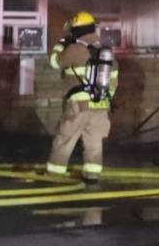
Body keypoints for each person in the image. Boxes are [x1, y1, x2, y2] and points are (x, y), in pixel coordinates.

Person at [45, 12, 118, 186]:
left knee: (65, 138)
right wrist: (104, 100)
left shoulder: (75, 49)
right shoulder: (106, 51)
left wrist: (61, 44)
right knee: (94, 141)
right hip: (101, 104)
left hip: (79, 104)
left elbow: (54, 62)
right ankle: (92, 175)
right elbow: (114, 80)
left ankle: (54, 174)